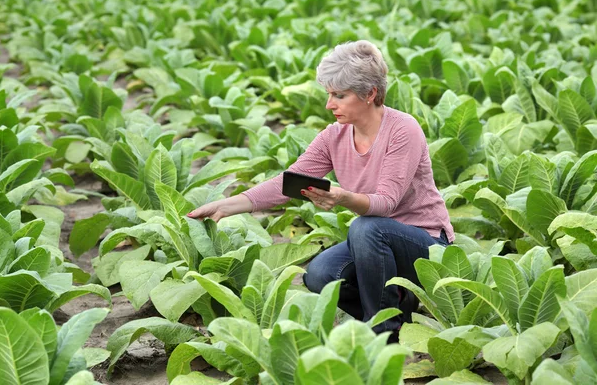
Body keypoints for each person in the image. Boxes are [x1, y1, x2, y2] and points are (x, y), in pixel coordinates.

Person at [187, 40, 454, 342]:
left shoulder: (403, 129)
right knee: (320, 275)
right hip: (376, 248)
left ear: (370, 94)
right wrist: (226, 206)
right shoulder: (333, 136)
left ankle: (384, 336)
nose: (329, 104)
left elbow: (386, 204)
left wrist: (342, 197)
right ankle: (397, 311)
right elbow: (288, 182)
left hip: (426, 245)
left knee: (366, 227)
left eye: (339, 95)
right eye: (328, 94)